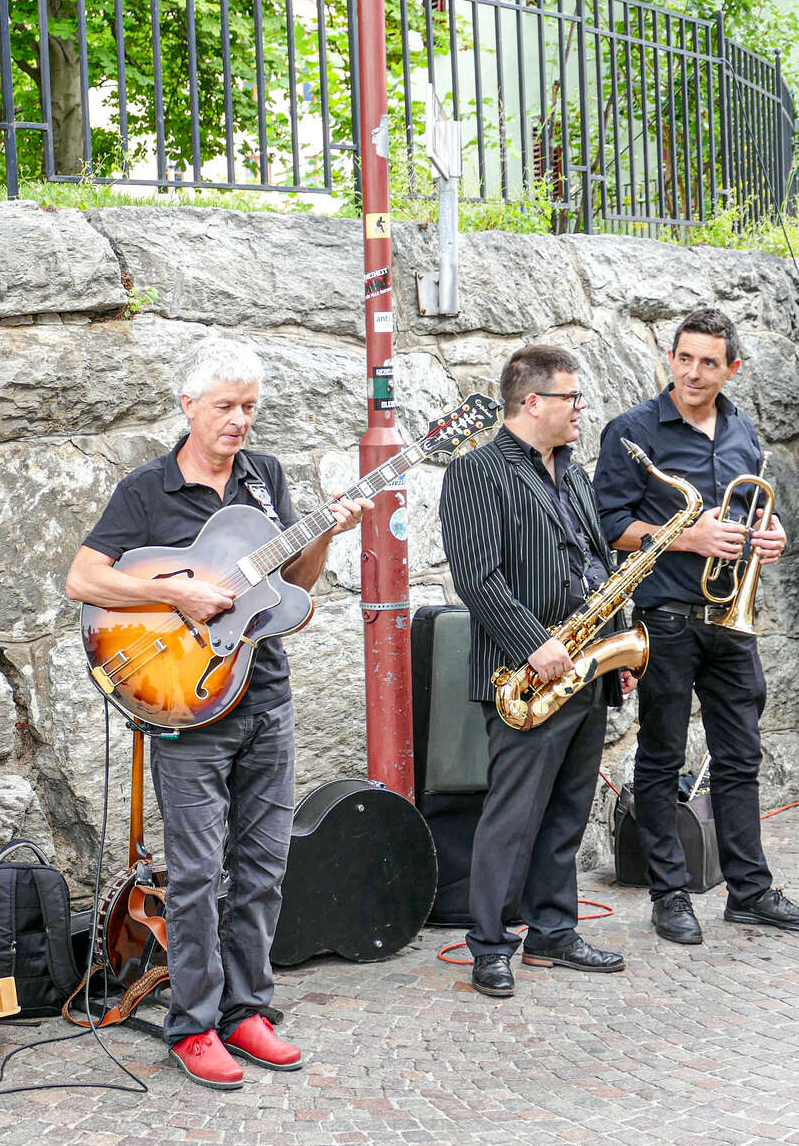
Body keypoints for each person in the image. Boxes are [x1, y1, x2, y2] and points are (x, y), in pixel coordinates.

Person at [63, 337, 368, 1089]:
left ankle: (247, 1009)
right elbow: (84, 579)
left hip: (264, 692)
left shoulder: (265, 479)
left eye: (249, 407)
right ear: (189, 405)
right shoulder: (147, 490)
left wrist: (325, 533)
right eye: (225, 406)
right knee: (197, 873)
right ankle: (193, 1024)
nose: (239, 420)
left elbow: (293, 588)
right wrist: (174, 591)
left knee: (264, 862)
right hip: (186, 704)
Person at [593, 310, 799, 946]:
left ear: (732, 369)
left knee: (740, 758)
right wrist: (687, 537)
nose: (693, 373)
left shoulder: (742, 430)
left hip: (732, 621)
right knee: (661, 757)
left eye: (708, 362)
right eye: (684, 358)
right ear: (671, 358)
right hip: (666, 618)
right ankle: (669, 894)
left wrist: (770, 535)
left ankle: (749, 892)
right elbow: (608, 525)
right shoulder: (632, 432)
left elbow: (751, 512)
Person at [438, 343, 632, 1000]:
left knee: (568, 811)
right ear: (531, 402)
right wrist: (533, 644)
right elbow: (477, 577)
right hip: (525, 676)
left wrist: (616, 645)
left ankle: (553, 932)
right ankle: (490, 945)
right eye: (571, 397)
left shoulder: (575, 474)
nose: (581, 408)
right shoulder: (476, 471)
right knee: (513, 815)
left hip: (585, 667)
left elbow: (599, 566)